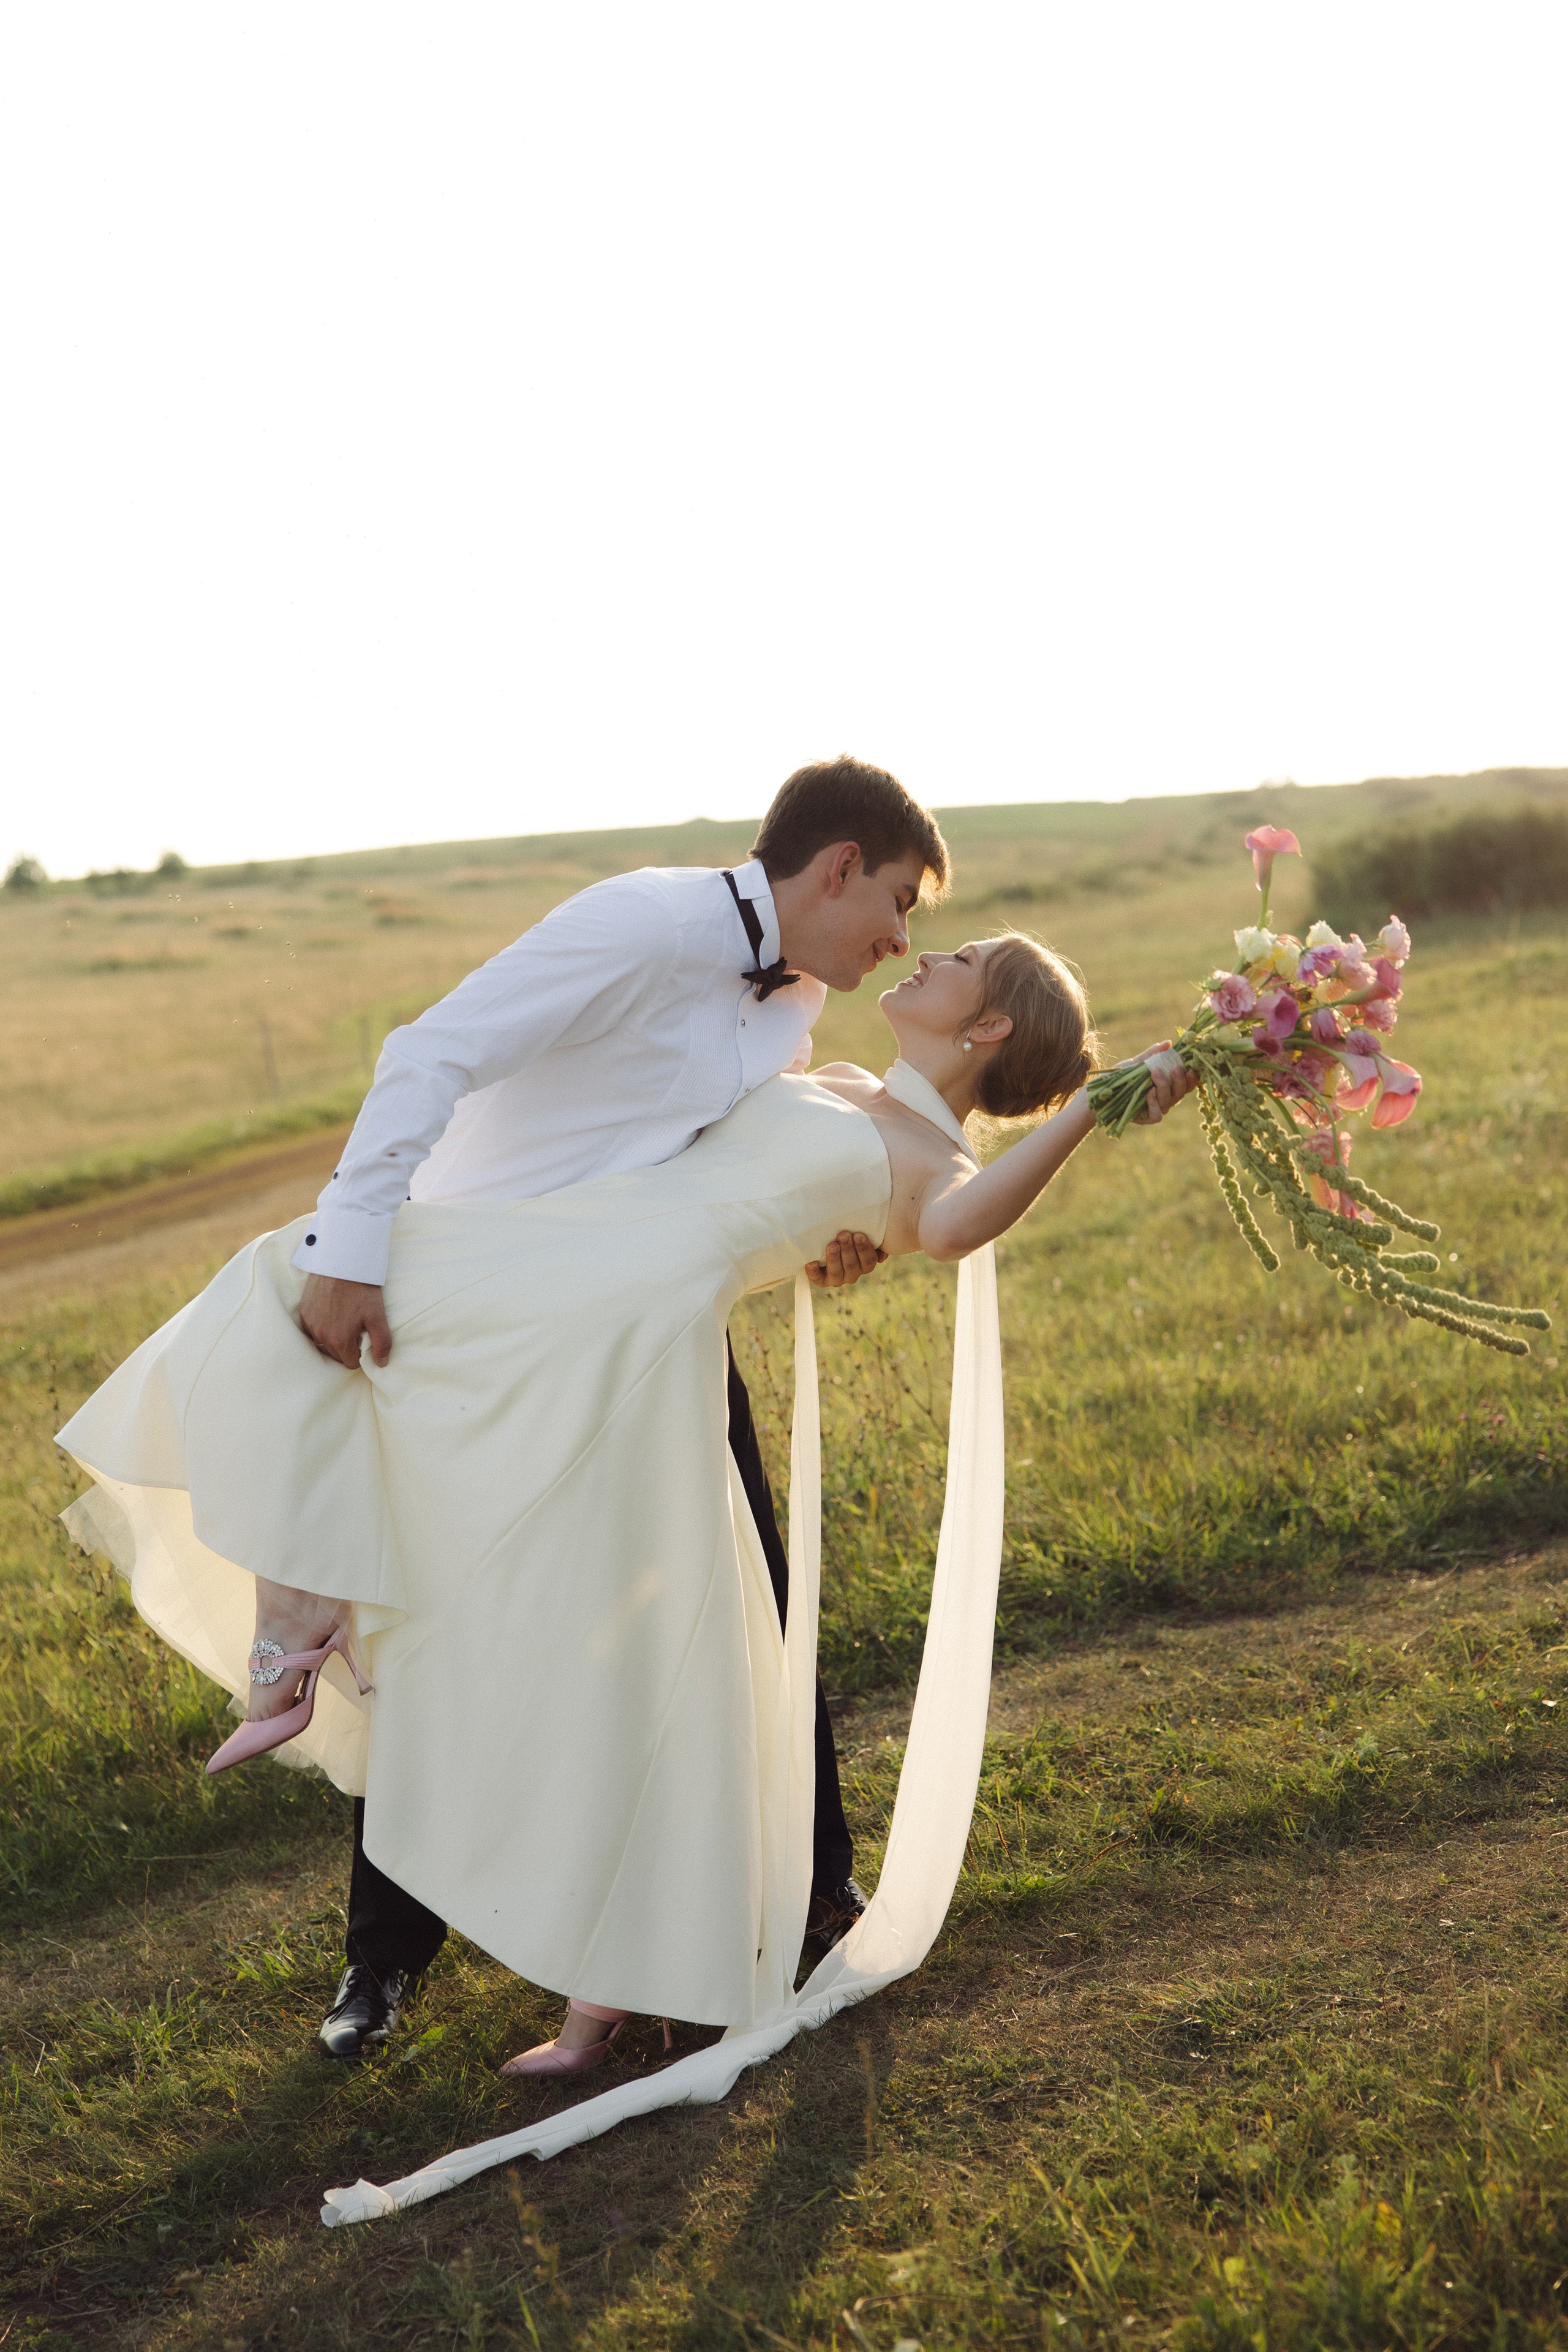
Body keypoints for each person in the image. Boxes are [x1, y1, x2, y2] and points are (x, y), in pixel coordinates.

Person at [57, 907, 1193, 2099]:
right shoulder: (840, 1074)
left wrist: (1096, 1105)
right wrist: (820, 1237)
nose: (926, 952)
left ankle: (598, 2004)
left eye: (957, 961)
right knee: (298, 1286)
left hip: (635, 1335)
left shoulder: (938, 1171)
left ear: (991, 1022)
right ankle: (302, 1632)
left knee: (639, 1663)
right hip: (569, 1255)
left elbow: (954, 1228)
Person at [62, 756, 948, 2059]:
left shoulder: (792, 1002)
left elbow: (724, 1155)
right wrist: (352, 1248)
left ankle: (807, 1896)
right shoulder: (640, 923)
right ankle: (384, 1961)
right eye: (896, 901)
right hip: (473, 1330)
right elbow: (432, 1051)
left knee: (743, 1588)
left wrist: (829, 1238)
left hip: (631, 1339)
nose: (898, 938)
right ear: (833, 867)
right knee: (442, 1619)